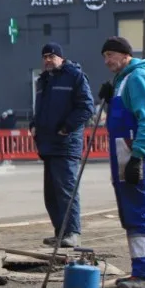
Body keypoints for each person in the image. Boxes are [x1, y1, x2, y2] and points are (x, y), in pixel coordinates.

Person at [97, 36, 145, 288]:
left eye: (110, 55)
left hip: (134, 155)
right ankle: (139, 270)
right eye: (104, 56)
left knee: (140, 211)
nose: (106, 61)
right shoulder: (122, 80)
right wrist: (109, 99)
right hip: (123, 154)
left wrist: (138, 156)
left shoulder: (137, 78)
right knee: (130, 213)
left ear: (125, 55)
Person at [30, 43, 93, 249]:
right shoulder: (43, 80)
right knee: (51, 194)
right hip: (47, 145)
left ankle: (73, 233)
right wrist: (33, 125)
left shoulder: (74, 76)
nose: (48, 60)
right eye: (45, 57)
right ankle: (61, 233)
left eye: (52, 56)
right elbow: (40, 109)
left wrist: (66, 128)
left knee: (67, 191)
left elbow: (86, 107)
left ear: (61, 57)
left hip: (65, 145)